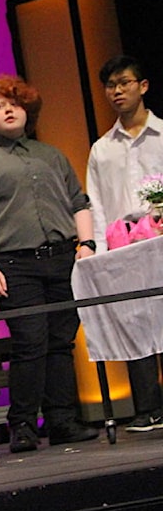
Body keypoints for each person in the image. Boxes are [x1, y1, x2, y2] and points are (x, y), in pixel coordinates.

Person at [0, 74, 100, 453]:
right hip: (14, 265)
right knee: (30, 342)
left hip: (61, 260)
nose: (8, 109)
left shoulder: (51, 155)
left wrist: (85, 244)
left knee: (61, 342)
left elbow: (78, 202)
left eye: (15, 103)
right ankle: (22, 424)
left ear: (28, 109)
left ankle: (62, 420)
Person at [86, 55, 163, 432]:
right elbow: (96, 203)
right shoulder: (102, 149)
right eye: (110, 85)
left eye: (124, 83)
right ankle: (148, 408)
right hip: (126, 249)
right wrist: (101, 252)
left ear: (143, 86)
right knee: (135, 323)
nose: (117, 91)